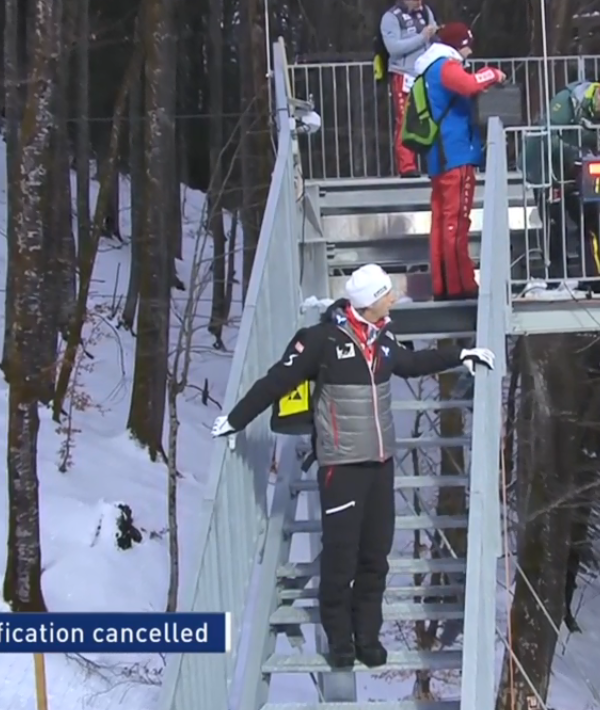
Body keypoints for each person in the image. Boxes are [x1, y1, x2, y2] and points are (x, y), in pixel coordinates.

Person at [210, 263, 496, 668]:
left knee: (375, 557)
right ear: (368, 301)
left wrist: (458, 355)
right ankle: (340, 641)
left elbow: (410, 364)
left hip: (380, 465)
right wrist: (236, 419)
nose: (394, 298)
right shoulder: (322, 340)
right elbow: (277, 380)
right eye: (387, 294)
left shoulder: (384, 337)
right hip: (340, 466)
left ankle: (367, 636)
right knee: (341, 557)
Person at [412, 22, 507, 301]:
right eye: (467, 43)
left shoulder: (430, 68)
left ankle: (444, 284)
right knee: (457, 221)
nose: (470, 49)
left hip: (440, 153)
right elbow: (468, 84)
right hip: (456, 152)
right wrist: (493, 74)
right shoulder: (446, 66)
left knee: (442, 221)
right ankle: (460, 284)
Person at [518, 76, 600, 283]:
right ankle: (557, 276)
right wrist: (575, 154)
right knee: (554, 223)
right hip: (546, 167)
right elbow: (547, 136)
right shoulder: (566, 101)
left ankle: (591, 272)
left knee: (587, 217)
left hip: (578, 168)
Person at [379, 0, 438, 178]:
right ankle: (407, 165)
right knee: (405, 119)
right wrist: (422, 38)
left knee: (430, 117)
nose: (419, 3)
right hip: (403, 74)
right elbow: (394, 48)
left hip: (425, 74)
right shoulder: (391, 18)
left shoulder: (426, 12)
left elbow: (432, 37)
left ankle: (434, 162)